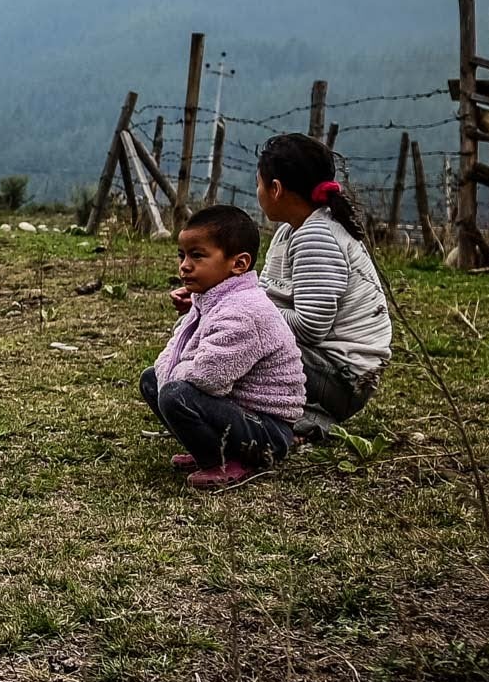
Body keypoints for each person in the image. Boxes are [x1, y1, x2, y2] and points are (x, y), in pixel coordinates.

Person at [142, 205, 305, 489]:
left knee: (174, 394)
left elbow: (209, 377)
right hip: (238, 411)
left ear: (239, 264)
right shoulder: (210, 298)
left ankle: (228, 461)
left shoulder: (243, 312)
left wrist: (172, 380)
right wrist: (166, 374)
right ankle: (210, 449)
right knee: (152, 380)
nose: (184, 266)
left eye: (197, 256)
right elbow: (178, 347)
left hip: (267, 430)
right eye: (182, 255)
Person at [254, 134, 393, 441]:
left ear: (275, 189)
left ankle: (303, 419)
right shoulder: (290, 231)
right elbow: (265, 294)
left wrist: (250, 314)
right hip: (323, 368)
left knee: (246, 339)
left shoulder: (316, 236)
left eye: (259, 183)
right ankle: (294, 416)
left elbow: (310, 327)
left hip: (342, 379)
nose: (258, 191)